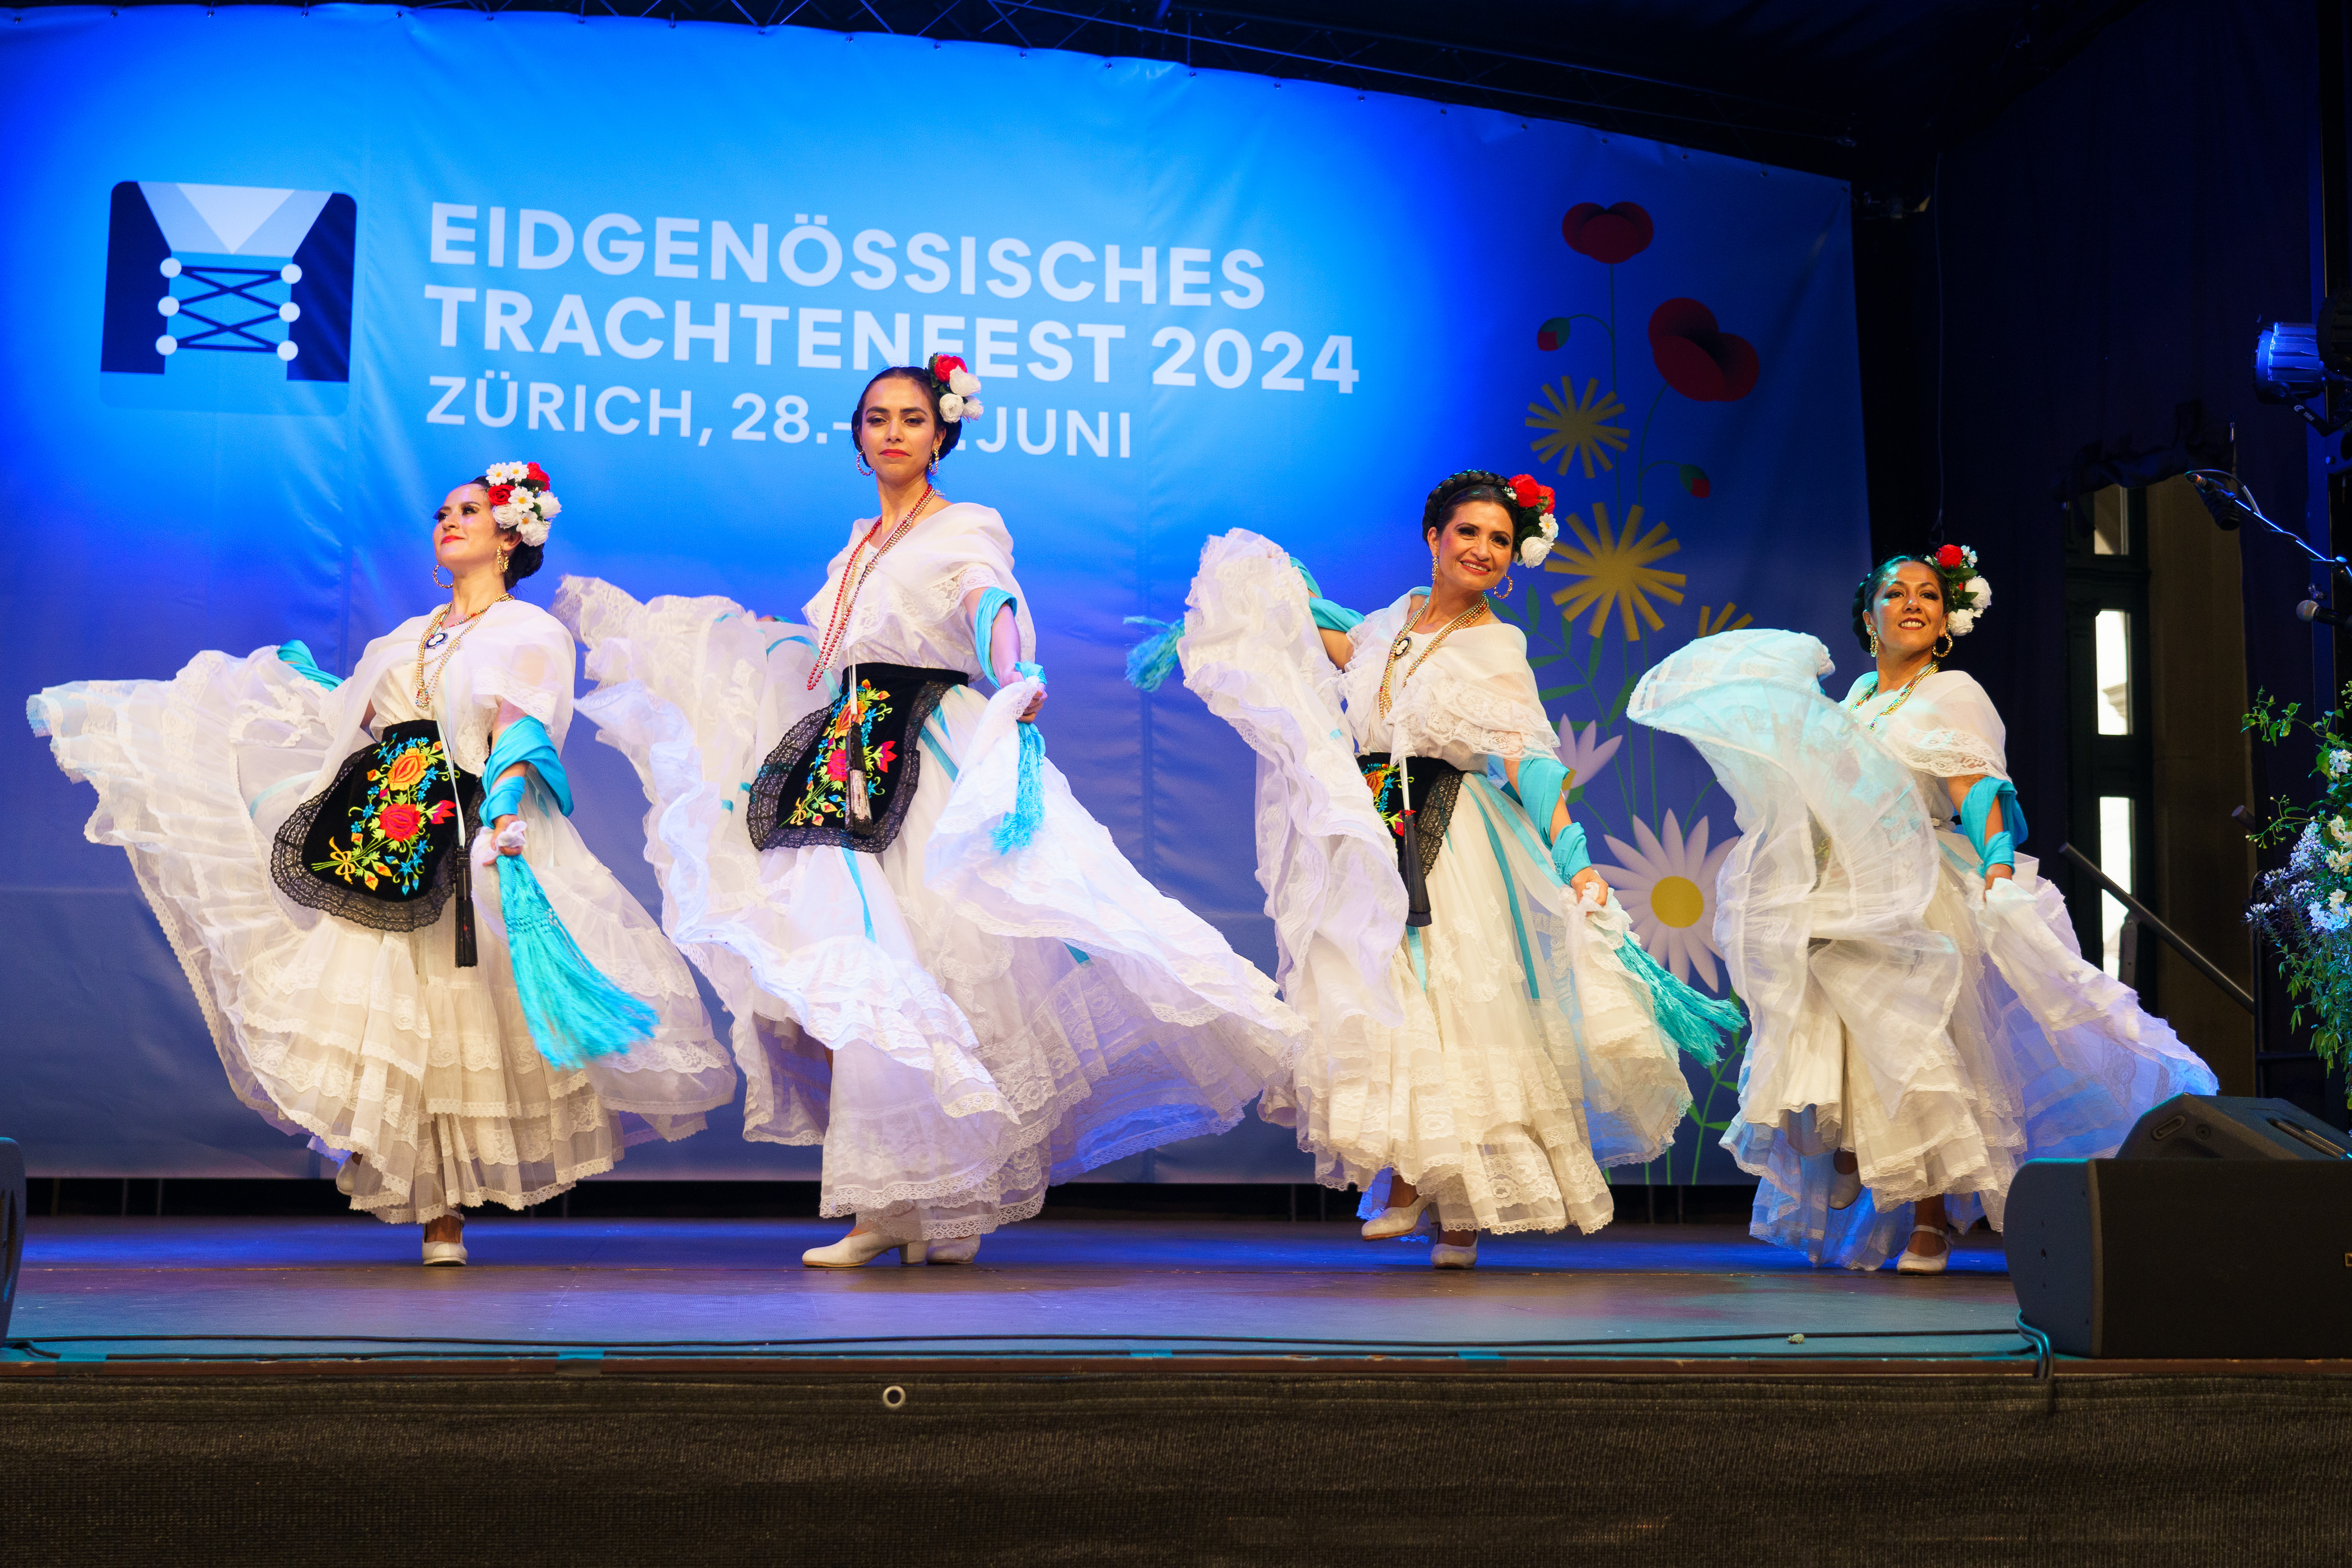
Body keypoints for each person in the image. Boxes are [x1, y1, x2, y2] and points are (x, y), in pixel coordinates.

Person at [559, 356, 1303, 1267]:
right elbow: (835, 657)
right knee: (858, 966)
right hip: (849, 749)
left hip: (924, 743)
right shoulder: (859, 543)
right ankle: (924, 1208)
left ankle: (924, 1208)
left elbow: (989, 600)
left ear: (942, 433)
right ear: (858, 436)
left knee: (935, 960)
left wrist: (1016, 669)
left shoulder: (964, 524)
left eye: (912, 418)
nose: (893, 432)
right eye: (877, 418)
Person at [30, 463, 737, 1264]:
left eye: (470, 511)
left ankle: (448, 1216)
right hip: (386, 830)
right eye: (443, 512)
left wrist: (505, 807)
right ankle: (435, 1203)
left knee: (460, 1002)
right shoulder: (405, 636)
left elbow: (520, 726)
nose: (449, 521)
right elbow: (356, 722)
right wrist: (305, 691)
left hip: (466, 821)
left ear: (511, 536)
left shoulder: (527, 631)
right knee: (394, 1007)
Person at [1145, 470, 1735, 1268]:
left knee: (1453, 1001)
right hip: (1373, 829)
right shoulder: (1392, 623)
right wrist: (1251, 603)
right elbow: (1337, 645)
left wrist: (1576, 862)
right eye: (1469, 533)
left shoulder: (1497, 647)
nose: (1483, 550)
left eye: (1500, 540)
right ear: (1434, 537)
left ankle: (1439, 1199)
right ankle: (1442, 1201)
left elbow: (1529, 761)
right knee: (1382, 993)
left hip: (1451, 832)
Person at [1628, 548, 2218, 1271]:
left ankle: (1929, 1224)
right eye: (1896, 592)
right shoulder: (1853, 702)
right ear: (1868, 616)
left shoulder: (1954, 692)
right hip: (1842, 886)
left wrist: (1996, 863)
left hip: (1919, 885)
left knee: (1923, 1047)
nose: (1913, 603)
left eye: (1930, 595)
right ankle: (1849, 1144)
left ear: (1945, 622)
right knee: (1829, 1023)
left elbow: (1978, 788)